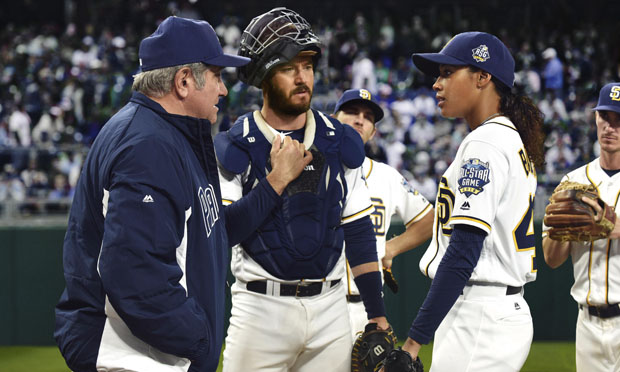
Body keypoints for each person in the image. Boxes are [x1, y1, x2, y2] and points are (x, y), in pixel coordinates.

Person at [53, 16, 250, 372]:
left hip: (153, 355)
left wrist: (274, 188)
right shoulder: (148, 145)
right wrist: (201, 338)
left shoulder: (165, 136)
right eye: (218, 76)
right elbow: (133, 273)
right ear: (185, 81)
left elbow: (212, 234)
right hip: (134, 358)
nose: (223, 89)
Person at [214, 8, 389, 371]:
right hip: (260, 310)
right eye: (288, 67)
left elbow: (358, 232)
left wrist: (378, 315)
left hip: (331, 309)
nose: (302, 77)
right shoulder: (236, 145)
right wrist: (277, 180)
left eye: (307, 66)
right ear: (263, 75)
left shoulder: (339, 140)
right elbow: (223, 232)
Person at [396, 31, 546, 371]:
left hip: (481, 311)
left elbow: (463, 253)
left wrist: (412, 343)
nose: (437, 83)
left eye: (448, 73)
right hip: (492, 309)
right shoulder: (508, 138)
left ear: (482, 77)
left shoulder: (487, 143)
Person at [332, 88, 434, 340]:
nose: (360, 120)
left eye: (368, 117)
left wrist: (390, 249)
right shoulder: (309, 165)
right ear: (333, 120)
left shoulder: (386, 176)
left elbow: (429, 220)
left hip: (366, 309)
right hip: (319, 303)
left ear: (373, 132)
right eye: (352, 112)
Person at [542, 82, 620, 372]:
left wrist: (606, 223)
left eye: (619, 121)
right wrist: (561, 231)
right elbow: (551, 260)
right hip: (587, 322)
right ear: (596, 119)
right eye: (605, 118)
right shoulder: (572, 182)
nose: (610, 128)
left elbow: (610, 227)